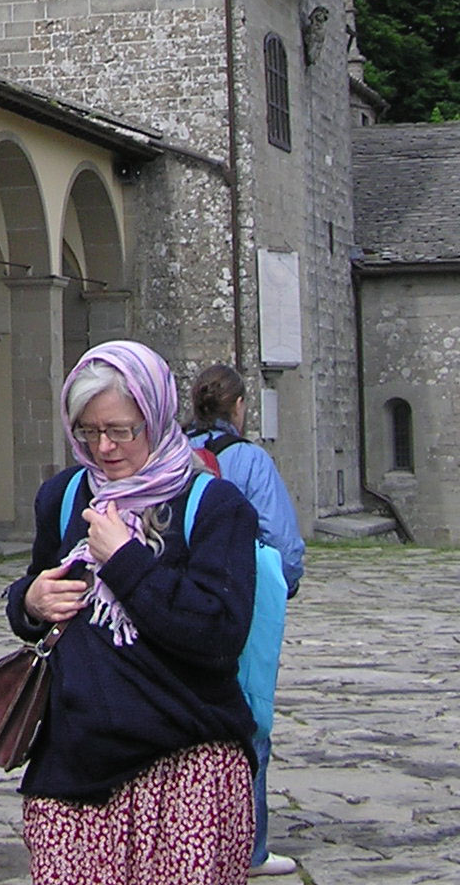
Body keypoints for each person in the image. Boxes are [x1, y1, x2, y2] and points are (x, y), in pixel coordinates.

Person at [6, 340, 261, 885]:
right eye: (88, 432)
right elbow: (36, 589)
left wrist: (124, 560)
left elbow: (218, 634)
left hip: (185, 762)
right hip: (74, 763)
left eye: (122, 430)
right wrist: (29, 602)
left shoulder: (216, 507)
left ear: (158, 416)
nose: (104, 448)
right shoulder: (64, 497)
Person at [187, 363, 305, 878]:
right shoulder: (251, 460)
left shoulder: (176, 456)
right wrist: (282, 587)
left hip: (179, 599)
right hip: (242, 599)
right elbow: (285, 544)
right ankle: (249, 847)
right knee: (250, 714)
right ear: (238, 407)